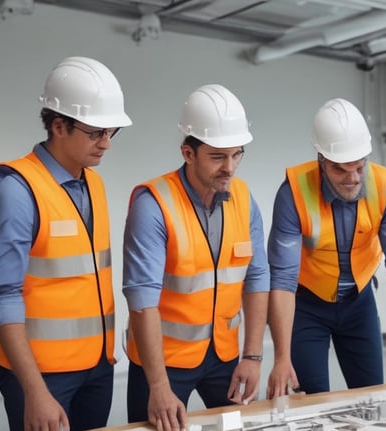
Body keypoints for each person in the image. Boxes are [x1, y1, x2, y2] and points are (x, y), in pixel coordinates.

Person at [0, 56, 132, 431]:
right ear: (58, 126)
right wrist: (35, 391)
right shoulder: (14, 191)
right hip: (43, 377)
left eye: (112, 132)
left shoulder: (93, 183)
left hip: (97, 366)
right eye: (96, 133)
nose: (107, 144)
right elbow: (3, 297)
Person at [265, 98, 386, 398]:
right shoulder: (293, 193)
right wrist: (281, 358)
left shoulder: (384, 186)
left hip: (359, 303)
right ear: (321, 160)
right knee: (312, 402)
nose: (353, 178)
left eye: (359, 166)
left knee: (371, 397)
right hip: (307, 306)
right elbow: (282, 280)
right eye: (341, 170)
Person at [122, 84, 270, 429]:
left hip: (225, 356)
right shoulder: (153, 204)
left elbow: (257, 277)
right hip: (163, 362)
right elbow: (142, 300)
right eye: (218, 156)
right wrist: (158, 386)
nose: (230, 168)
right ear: (188, 153)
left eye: (237, 155)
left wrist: (252, 356)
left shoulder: (244, 199)